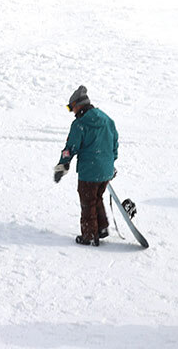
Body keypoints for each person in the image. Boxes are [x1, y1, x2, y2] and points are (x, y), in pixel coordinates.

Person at [54, 85, 119, 246]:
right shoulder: (106, 119)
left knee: (88, 202)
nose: (72, 112)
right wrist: (111, 163)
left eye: (71, 108)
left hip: (89, 171)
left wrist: (62, 166)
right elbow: (114, 143)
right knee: (97, 197)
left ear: (78, 105)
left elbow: (70, 148)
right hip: (106, 171)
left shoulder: (80, 124)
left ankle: (89, 236)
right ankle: (102, 228)